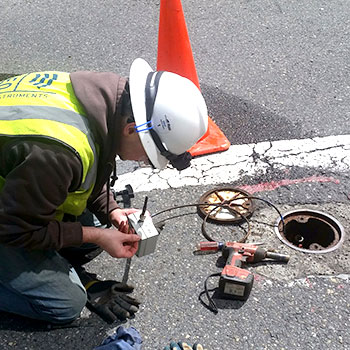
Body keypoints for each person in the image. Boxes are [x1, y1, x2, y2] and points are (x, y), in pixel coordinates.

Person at [0, 58, 208, 325]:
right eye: (149, 153)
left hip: (21, 185)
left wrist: (113, 211)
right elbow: (15, 229)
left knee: (99, 226)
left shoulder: (103, 99)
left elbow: (91, 169)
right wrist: (98, 236)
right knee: (64, 304)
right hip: (11, 220)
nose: (144, 162)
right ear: (132, 129)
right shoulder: (58, 154)